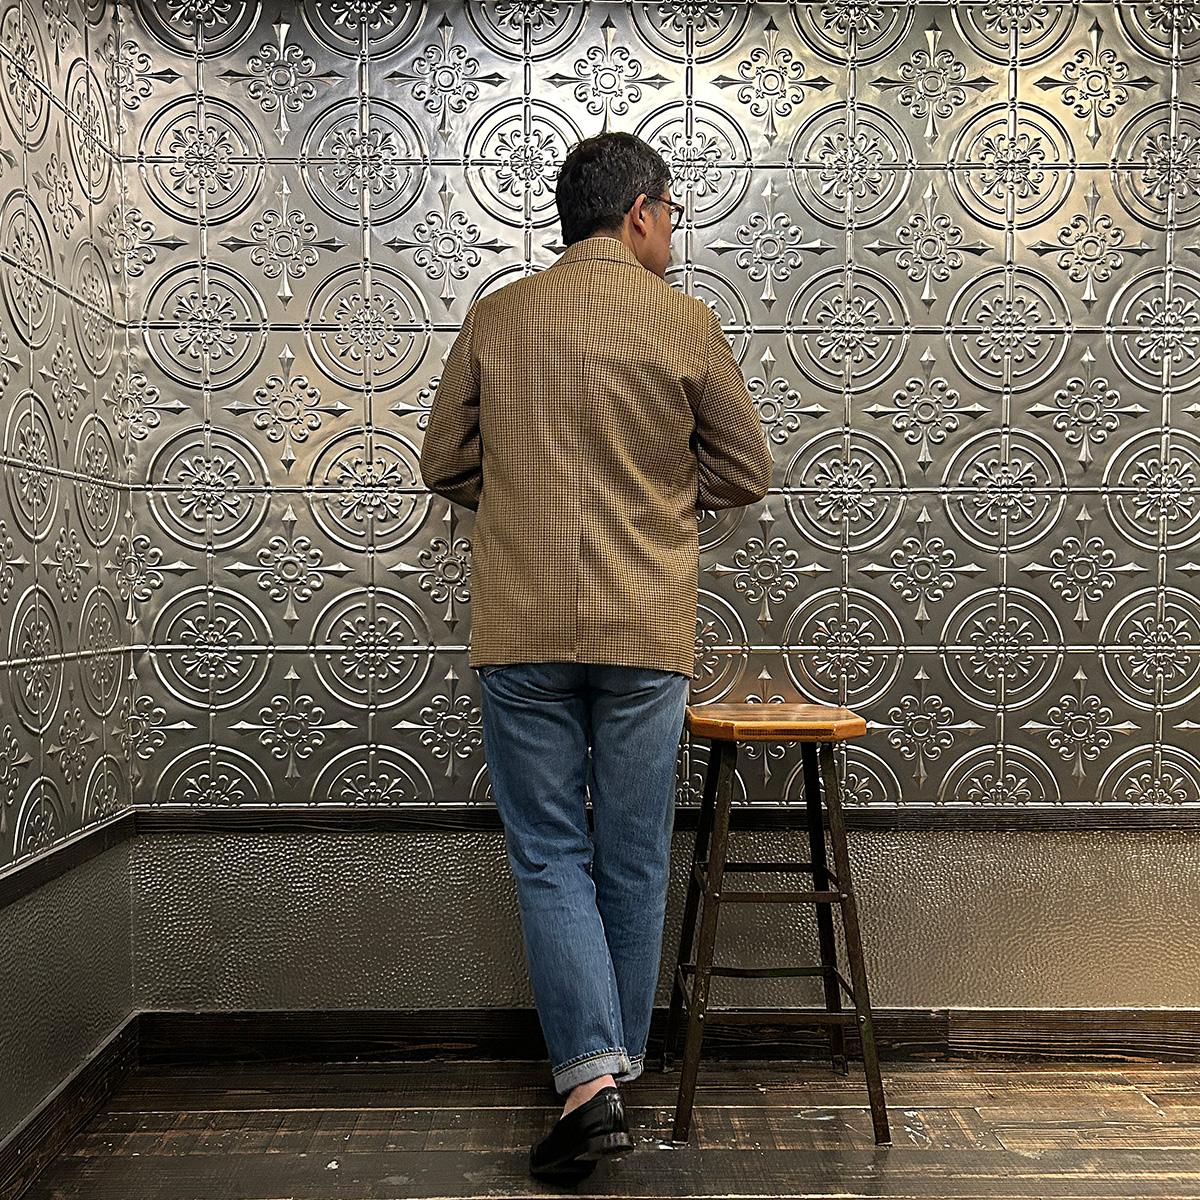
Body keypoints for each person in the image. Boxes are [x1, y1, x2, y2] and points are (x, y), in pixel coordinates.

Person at [418, 131, 772, 1184]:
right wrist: (656, 500)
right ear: (640, 214)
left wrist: (524, 498)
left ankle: (590, 1084)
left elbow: (444, 462)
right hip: (644, 626)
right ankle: (611, 1074)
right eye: (671, 216)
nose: (673, 236)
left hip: (522, 625)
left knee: (547, 852)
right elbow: (745, 471)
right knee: (631, 854)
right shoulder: (684, 321)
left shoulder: (498, 315)